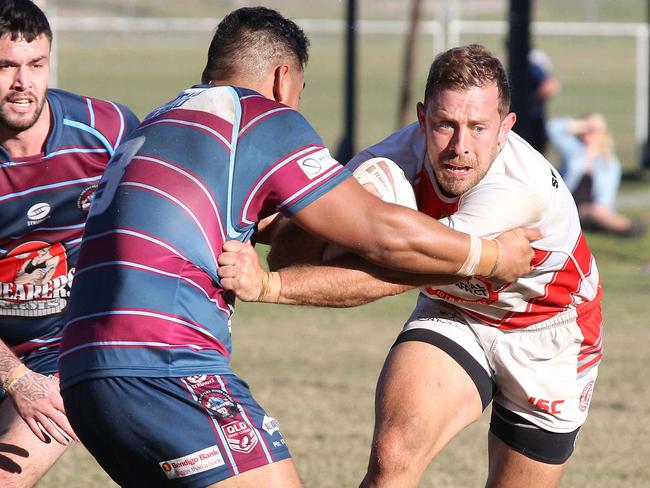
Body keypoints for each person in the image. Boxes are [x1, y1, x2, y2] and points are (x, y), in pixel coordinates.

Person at [56, 10, 537, 488]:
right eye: (301, 94)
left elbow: (265, 225)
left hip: (82, 374)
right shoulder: (260, 117)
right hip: (163, 364)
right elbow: (382, 232)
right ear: (284, 80)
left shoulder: (161, 121)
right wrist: (492, 258)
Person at [219, 44, 603, 488]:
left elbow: (399, 275)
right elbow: (297, 248)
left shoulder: (518, 190)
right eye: (445, 125)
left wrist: (269, 285)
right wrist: (298, 219)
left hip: (549, 334)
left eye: (479, 128)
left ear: (505, 128)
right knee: (393, 455)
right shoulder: (392, 160)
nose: (460, 147)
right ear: (422, 119)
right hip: (457, 313)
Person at [0, 0, 139, 486]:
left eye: (36, 65)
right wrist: (14, 378)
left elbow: (165, 208)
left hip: (60, 352)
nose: (23, 83)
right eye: (6, 66)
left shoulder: (105, 131)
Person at [548, 113, 647, 237]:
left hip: (592, 208)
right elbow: (551, 128)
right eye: (588, 128)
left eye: (596, 129)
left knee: (597, 211)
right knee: (594, 212)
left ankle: (627, 227)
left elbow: (606, 197)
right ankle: (627, 228)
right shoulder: (573, 151)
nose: (591, 132)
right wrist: (581, 125)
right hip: (568, 206)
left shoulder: (610, 162)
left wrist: (602, 210)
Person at [527, 48, 560, 154]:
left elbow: (551, 86)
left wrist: (531, 99)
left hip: (533, 122)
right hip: (533, 122)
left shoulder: (532, 67)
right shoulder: (533, 66)